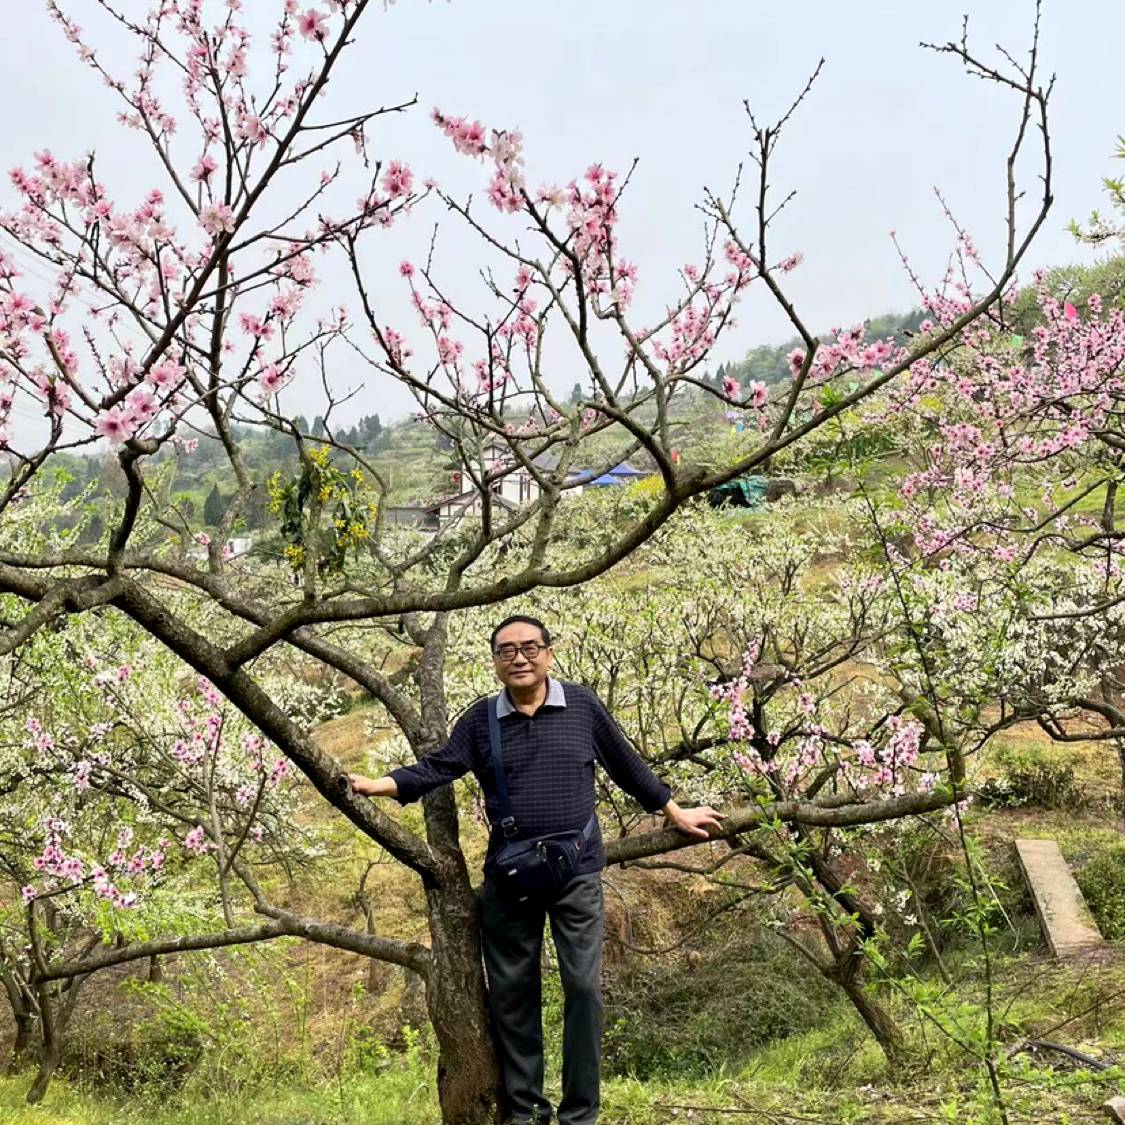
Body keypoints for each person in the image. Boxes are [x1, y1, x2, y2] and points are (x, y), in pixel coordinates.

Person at [348, 614, 724, 1125]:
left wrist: (672, 809)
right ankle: (525, 1110)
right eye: (507, 651)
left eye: (530, 647)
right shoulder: (481, 721)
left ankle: (580, 1115)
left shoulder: (582, 706)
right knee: (512, 994)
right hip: (510, 877)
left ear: (548, 652)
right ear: (495, 662)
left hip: (578, 871)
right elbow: (440, 767)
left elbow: (625, 762)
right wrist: (380, 784)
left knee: (585, 990)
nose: (520, 658)